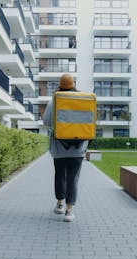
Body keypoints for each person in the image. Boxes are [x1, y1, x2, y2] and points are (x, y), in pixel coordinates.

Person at [43, 73, 89, 222]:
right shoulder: (85, 100)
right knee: (73, 178)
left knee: (59, 175)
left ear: (60, 85)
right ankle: (69, 212)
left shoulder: (55, 101)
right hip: (79, 148)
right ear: (74, 84)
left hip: (58, 148)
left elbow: (46, 121)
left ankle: (59, 205)